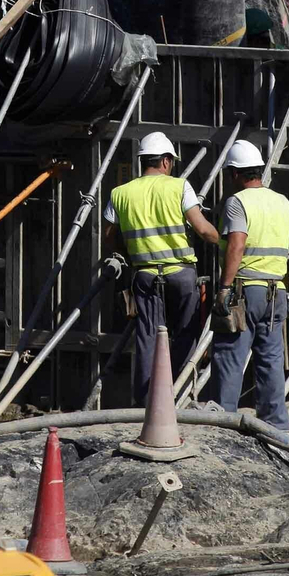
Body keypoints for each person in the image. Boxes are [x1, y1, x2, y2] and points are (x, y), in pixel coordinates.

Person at [101, 131, 220, 403]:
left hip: (144, 275)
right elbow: (203, 229)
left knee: (147, 339)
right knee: (186, 334)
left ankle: (147, 403)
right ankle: (178, 396)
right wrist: (227, 243)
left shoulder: (120, 193)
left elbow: (108, 235)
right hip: (181, 275)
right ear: (166, 161)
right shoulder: (179, 187)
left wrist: (129, 254)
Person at [210, 139, 289, 430]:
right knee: (271, 361)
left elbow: (236, 245)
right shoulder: (282, 202)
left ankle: (224, 425)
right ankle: (276, 428)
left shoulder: (237, 202)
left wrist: (224, 288)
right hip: (276, 295)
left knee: (230, 357)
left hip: (245, 292)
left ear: (234, 173)